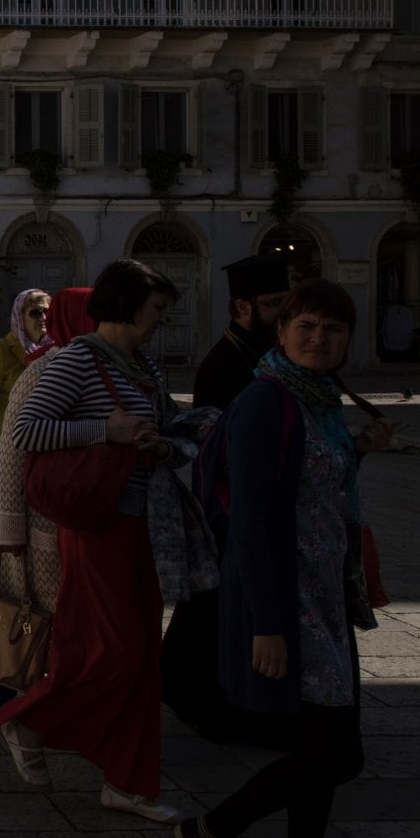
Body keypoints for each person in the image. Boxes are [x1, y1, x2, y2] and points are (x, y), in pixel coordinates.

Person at [175, 280, 395, 838]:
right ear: (282, 331)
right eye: (306, 326)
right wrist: (266, 625)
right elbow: (248, 517)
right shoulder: (265, 403)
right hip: (287, 600)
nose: (319, 339)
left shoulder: (320, 402)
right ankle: (212, 831)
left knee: (323, 747)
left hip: (326, 594)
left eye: (333, 329)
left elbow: (314, 487)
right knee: (337, 750)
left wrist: (358, 450)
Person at [0, 259, 189, 822]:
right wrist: (107, 430)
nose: (161, 321)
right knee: (114, 654)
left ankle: (128, 782)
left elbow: (162, 425)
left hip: (141, 520)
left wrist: (163, 442)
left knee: (143, 657)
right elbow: (25, 432)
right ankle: (28, 721)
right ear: (126, 306)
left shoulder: (142, 363)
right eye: (155, 310)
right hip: (96, 526)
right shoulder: (75, 360)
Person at [168, 253, 294, 742]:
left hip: (258, 504)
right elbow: (209, 440)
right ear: (243, 308)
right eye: (273, 304)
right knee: (220, 606)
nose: (280, 314)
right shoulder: (223, 363)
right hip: (228, 504)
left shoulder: (270, 358)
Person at [0, 287, 95, 785]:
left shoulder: (91, 367)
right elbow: (12, 451)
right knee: (31, 615)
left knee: (49, 620)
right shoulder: (36, 366)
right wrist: (9, 533)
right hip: (36, 521)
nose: (40, 319)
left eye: (48, 313)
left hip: (80, 524)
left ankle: (7, 700)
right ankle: (14, 707)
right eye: (33, 311)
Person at [193, 256, 291, 412]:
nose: (285, 312)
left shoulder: (279, 348)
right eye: (275, 303)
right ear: (243, 308)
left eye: (288, 302)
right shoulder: (217, 368)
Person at [0, 288, 53, 451]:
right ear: (20, 317)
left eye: (46, 311)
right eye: (35, 313)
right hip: (6, 438)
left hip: (42, 436)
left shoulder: (54, 349)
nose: (43, 317)